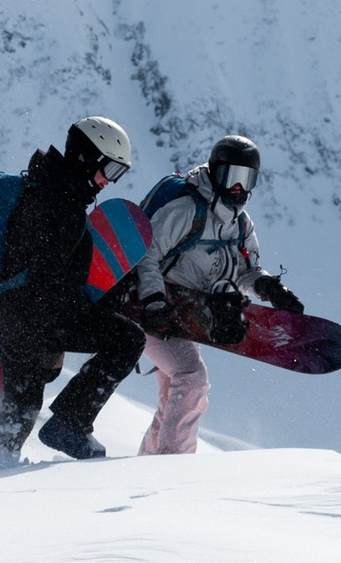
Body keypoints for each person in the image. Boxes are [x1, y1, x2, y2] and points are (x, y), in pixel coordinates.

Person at [129, 133, 305, 456]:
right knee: (191, 379)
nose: (237, 188)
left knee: (174, 395)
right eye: (231, 177)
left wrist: (269, 287)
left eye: (245, 179)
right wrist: (153, 301)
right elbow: (146, 254)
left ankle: (147, 466)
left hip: (184, 316)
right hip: (149, 308)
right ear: (215, 172)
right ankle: (171, 467)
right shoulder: (186, 209)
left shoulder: (240, 224)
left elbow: (245, 270)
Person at [0, 114, 143, 462]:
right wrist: (77, 320)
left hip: (20, 316)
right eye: (109, 170)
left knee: (23, 404)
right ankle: (68, 424)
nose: (108, 182)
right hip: (32, 320)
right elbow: (49, 280)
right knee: (128, 340)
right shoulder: (60, 203)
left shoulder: (49, 187)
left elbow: (53, 275)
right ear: (88, 158)